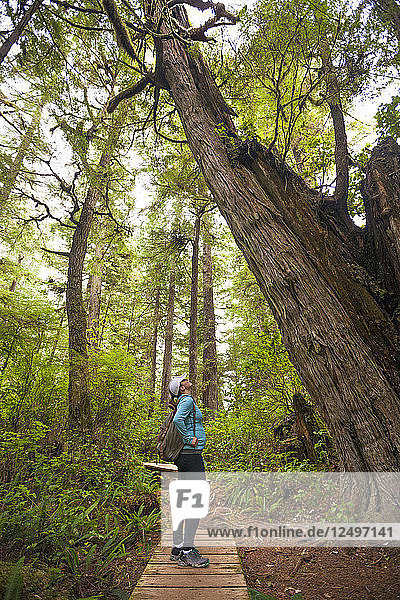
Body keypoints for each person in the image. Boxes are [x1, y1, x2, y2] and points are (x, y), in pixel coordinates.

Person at [168, 375, 209, 568]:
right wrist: (188, 437)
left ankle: (177, 548)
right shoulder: (187, 400)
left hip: (184, 457)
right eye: (184, 380)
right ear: (182, 388)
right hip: (191, 456)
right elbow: (178, 420)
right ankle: (187, 551)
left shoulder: (182, 400)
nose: (187, 379)